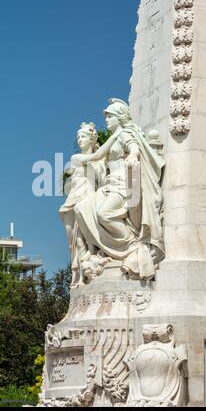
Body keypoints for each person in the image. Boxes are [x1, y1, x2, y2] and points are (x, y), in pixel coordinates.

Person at [71, 99, 165, 280]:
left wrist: (132, 155)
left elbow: (134, 147)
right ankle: (108, 250)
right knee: (81, 208)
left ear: (119, 117)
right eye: (106, 116)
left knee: (104, 213)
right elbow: (98, 155)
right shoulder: (115, 136)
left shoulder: (125, 134)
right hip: (109, 185)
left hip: (123, 185)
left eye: (110, 116)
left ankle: (132, 246)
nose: (106, 120)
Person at [59, 122, 106, 287]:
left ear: (92, 139)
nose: (79, 140)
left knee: (84, 241)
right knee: (72, 243)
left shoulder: (100, 162)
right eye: (78, 137)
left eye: (83, 136)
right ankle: (76, 274)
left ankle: (84, 277)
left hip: (88, 202)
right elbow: (92, 158)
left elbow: (103, 180)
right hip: (72, 202)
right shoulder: (76, 158)